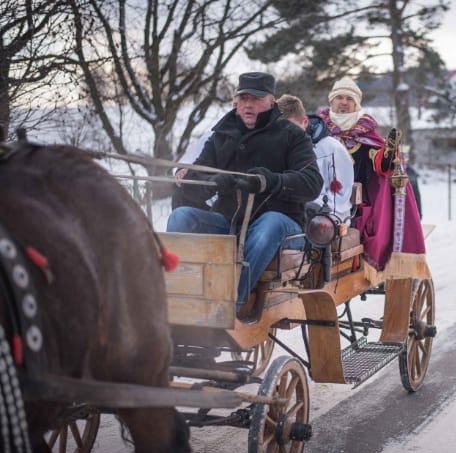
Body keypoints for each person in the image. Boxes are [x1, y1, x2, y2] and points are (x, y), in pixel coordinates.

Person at [167, 72, 323, 316]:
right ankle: (180, 298)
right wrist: (214, 183)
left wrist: (270, 181)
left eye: (256, 98)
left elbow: (312, 183)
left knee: (270, 223)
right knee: (182, 217)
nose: (249, 104)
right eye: (244, 98)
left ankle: (229, 305)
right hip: (231, 223)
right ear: (236, 102)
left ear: (271, 102)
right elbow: (191, 180)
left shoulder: (292, 136)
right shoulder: (222, 135)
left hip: (283, 227)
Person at [320, 76, 426, 277]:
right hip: (319, 198)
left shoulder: (365, 134)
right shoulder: (317, 131)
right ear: (331, 101)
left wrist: (388, 152)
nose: (343, 102)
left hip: (354, 206)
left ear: (356, 104)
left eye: (349, 99)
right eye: (339, 97)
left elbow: (381, 166)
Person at [276, 94, 354, 222]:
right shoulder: (276, 147)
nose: (287, 135)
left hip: (325, 216)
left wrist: (314, 207)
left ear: (305, 122)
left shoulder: (332, 149)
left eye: (292, 128)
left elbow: (340, 196)